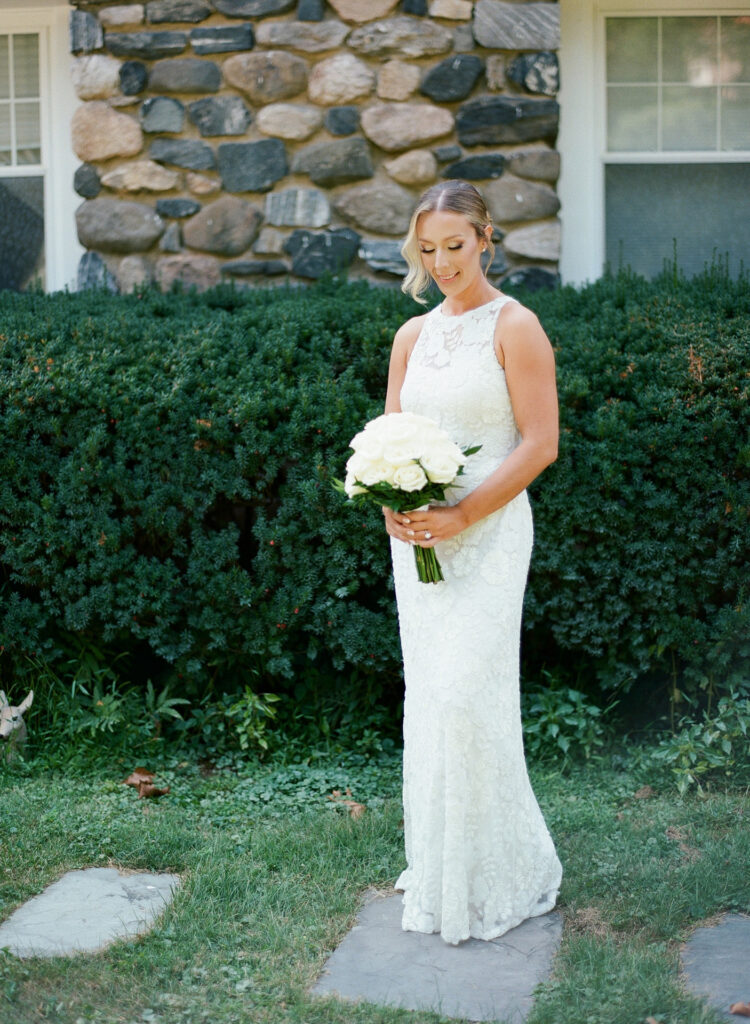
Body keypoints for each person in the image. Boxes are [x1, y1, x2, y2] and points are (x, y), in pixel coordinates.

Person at [383, 180, 563, 946]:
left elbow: (539, 442)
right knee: (430, 701)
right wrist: (389, 497)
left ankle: (497, 875)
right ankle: (442, 868)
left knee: (466, 696)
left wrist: (464, 512)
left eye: (456, 245)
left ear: (487, 238)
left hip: (487, 537)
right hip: (419, 545)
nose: (443, 261)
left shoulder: (516, 326)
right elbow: (391, 434)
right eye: (429, 249)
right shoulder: (411, 336)